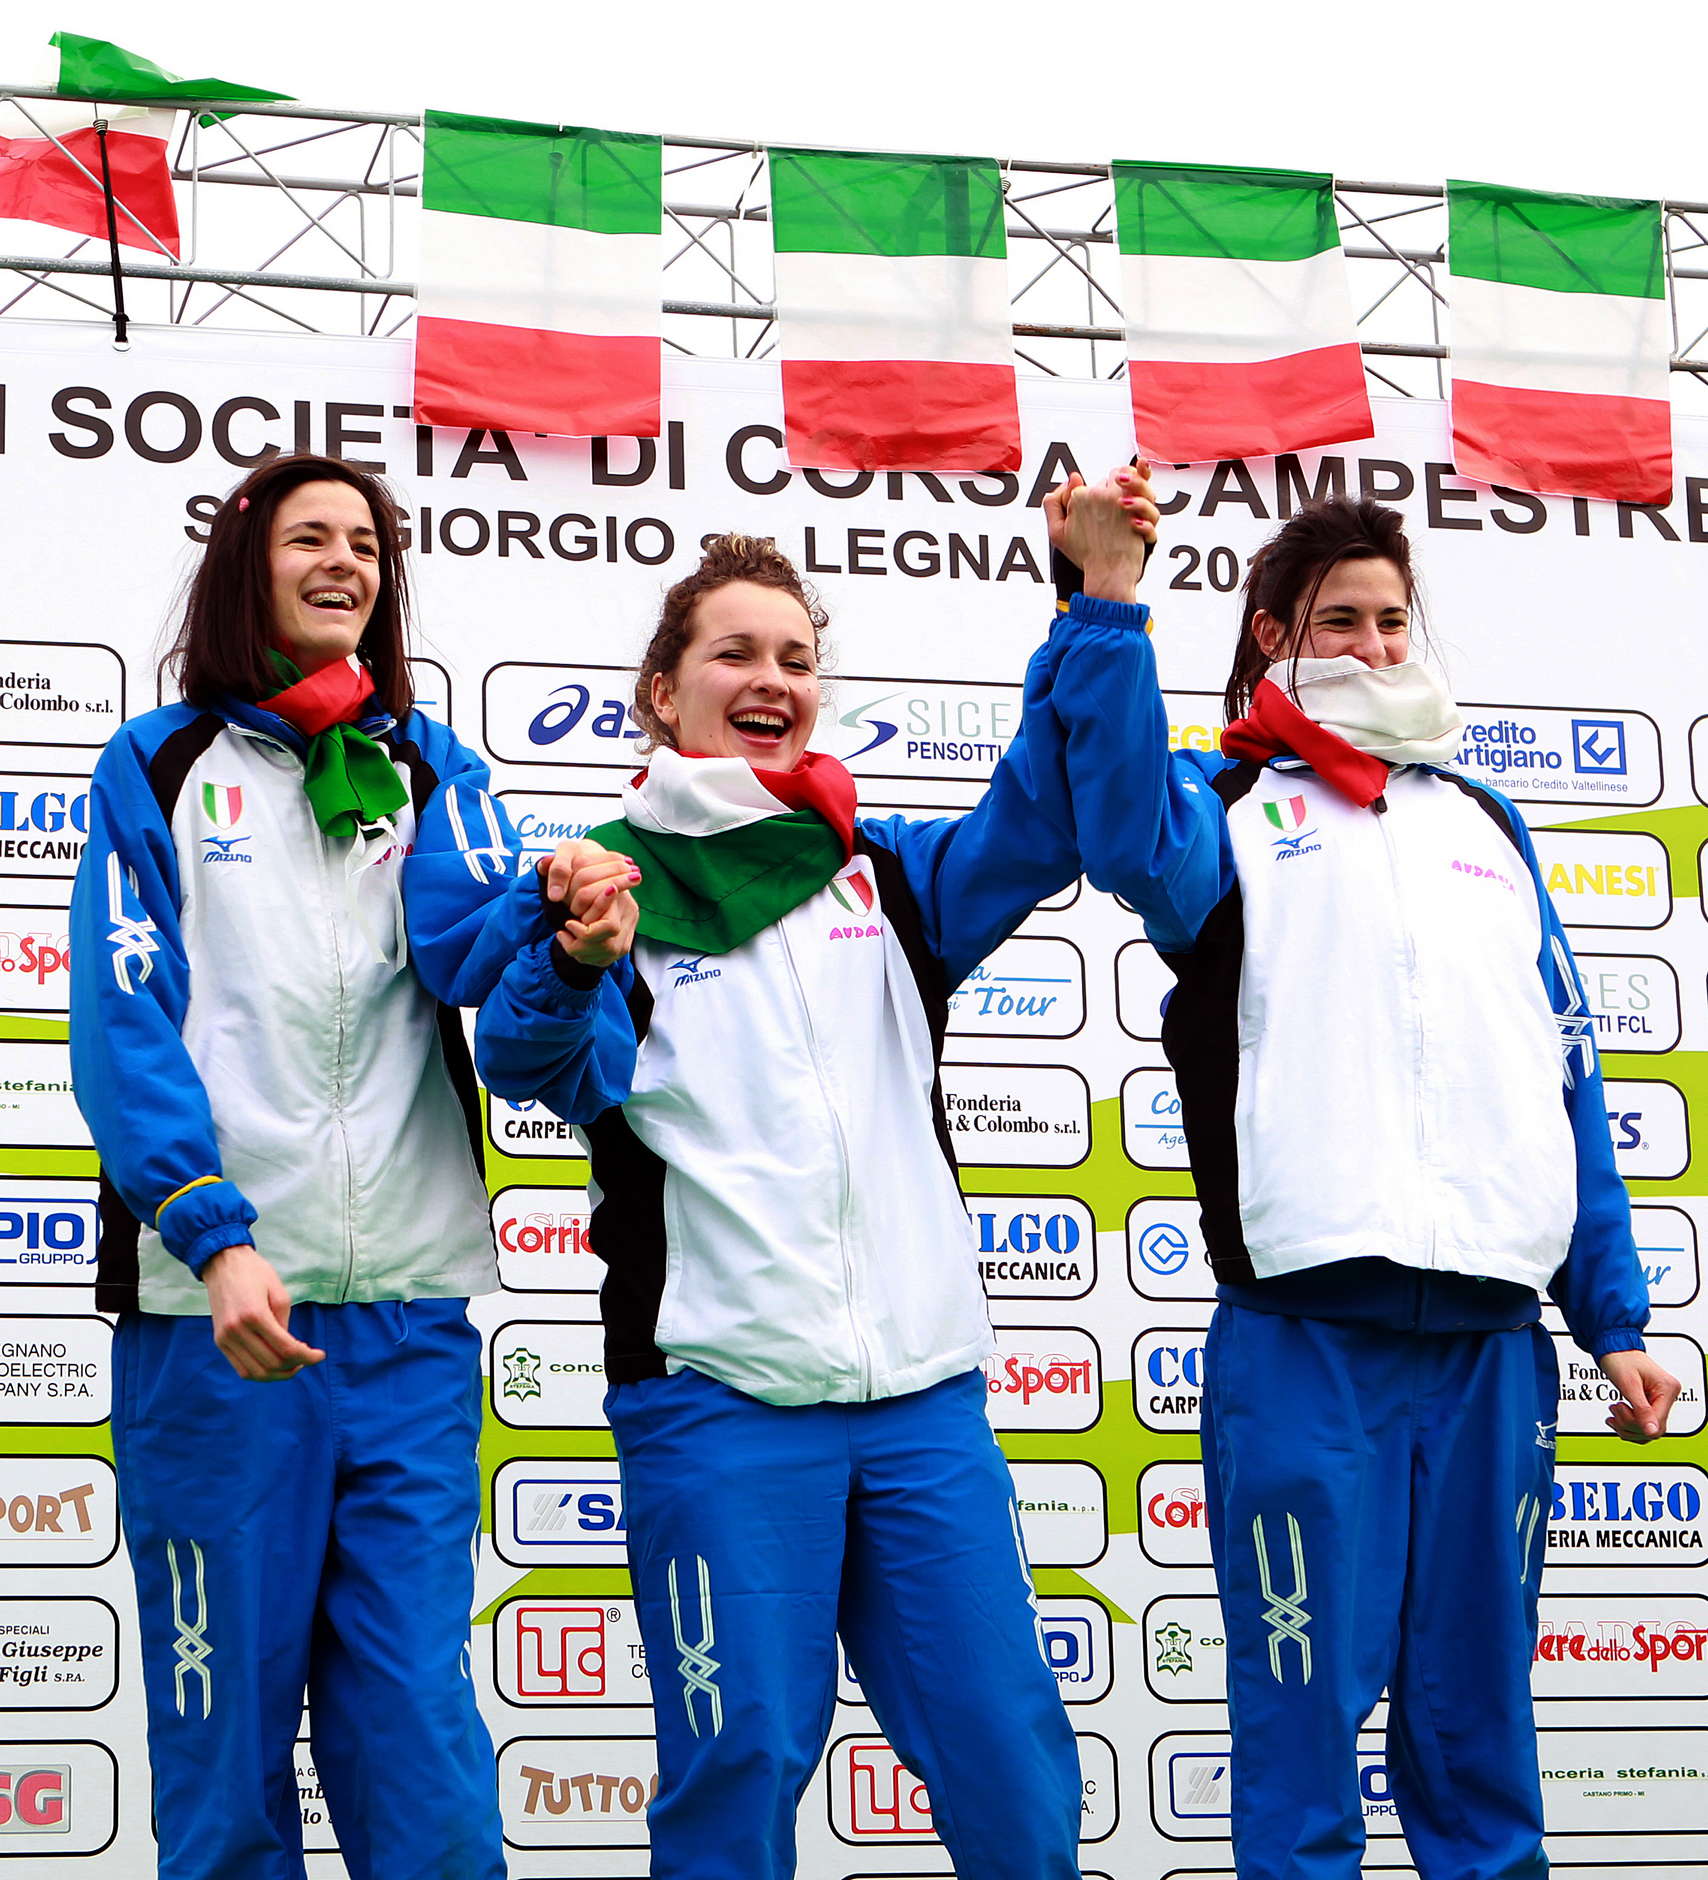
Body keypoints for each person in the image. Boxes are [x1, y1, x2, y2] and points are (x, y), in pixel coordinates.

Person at [460, 516, 1156, 1880]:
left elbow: (1043, 809)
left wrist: (1100, 606)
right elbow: (534, 1066)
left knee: (1012, 1767)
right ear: (663, 691)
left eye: (795, 656)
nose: (771, 678)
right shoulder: (604, 883)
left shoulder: (882, 875)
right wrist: (576, 960)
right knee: (738, 1774)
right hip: (721, 1401)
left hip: (921, 1406)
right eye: (735, 653)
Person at [1055, 485, 1682, 1880]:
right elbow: (1118, 828)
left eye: (1394, 620)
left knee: (1478, 1738)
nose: (1377, 645)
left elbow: (1563, 1072)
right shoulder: (1222, 807)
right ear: (1273, 636)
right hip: (1305, 1340)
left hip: (1492, 1351)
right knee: (1300, 1736)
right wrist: (1106, 602)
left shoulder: (1488, 824)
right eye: (1339, 621)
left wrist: (1615, 1318)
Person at [68, 453, 511, 1880]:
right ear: (246, 566)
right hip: (219, 1317)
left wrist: (562, 927)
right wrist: (211, 1230)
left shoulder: (434, 767)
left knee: (418, 1736)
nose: (345, 563)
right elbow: (125, 1014)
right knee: (225, 1745)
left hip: (408, 1321)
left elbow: (474, 955)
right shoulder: (157, 762)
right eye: (311, 537)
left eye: (368, 545)